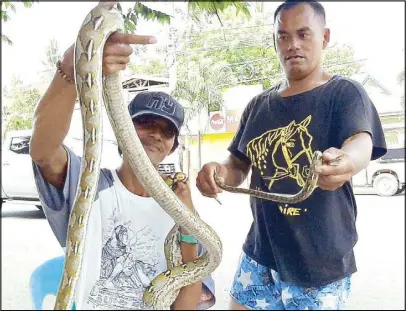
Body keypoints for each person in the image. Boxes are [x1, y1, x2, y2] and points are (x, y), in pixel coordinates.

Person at [196, 1, 387, 310]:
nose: (292, 45)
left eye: (303, 34)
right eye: (283, 36)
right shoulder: (258, 105)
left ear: (324, 37)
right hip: (260, 254)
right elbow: (237, 166)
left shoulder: (344, 93)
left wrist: (346, 161)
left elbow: (360, 141)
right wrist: (217, 172)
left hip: (320, 264)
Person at [29, 4, 215, 309]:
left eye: (166, 131)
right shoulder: (90, 185)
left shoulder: (178, 207)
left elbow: (185, 304)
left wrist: (188, 225)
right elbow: (43, 152)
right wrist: (72, 68)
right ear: (123, 128)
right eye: (145, 123)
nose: (155, 134)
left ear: (173, 145)